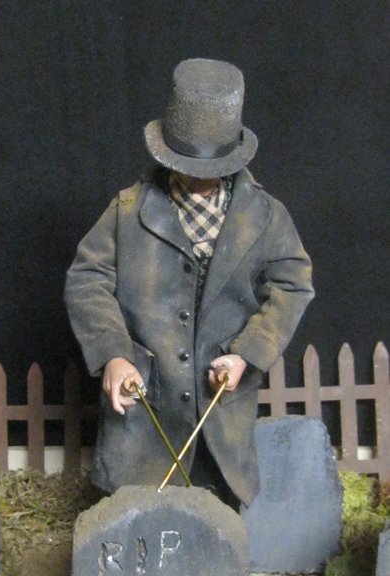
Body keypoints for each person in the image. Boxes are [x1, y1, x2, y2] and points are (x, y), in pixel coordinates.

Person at [64, 58, 314, 508]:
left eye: (213, 165)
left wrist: (246, 353)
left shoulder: (264, 216)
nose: (199, 177)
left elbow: (292, 284)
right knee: (136, 520)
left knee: (219, 522)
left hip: (221, 423)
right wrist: (114, 354)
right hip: (147, 417)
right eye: (186, 164)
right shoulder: (128, 211)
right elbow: (87, 279)